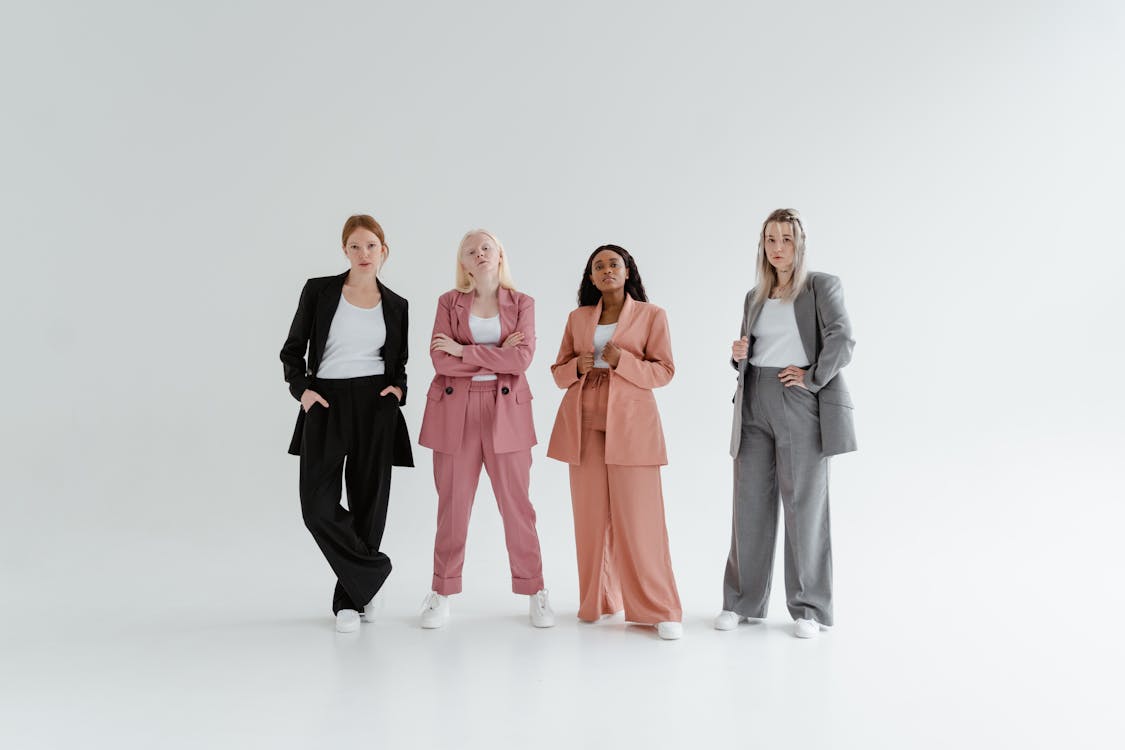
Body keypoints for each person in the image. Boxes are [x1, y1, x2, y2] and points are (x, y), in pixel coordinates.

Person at [717, 208, 856, 639]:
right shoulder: (754, 296)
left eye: (787, 239)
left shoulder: (820, 286)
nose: (778, 249)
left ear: (800, 243)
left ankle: (809, 609)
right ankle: (742, 603)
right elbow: (749, 351)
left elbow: (842, 337)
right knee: (749, 504)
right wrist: (738, 351)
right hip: (754, 395)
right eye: (770, 239)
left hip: (797, 397)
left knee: (804, 505)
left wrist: (812, 377)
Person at [280, 214, 414, 633]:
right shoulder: (319, 291)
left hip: (376, 403)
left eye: (371, 246)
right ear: (344, 250)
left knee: (369, 502)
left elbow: (399, 362)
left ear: (383, 250)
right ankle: (374, 570)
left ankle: (351, 600)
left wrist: (398, 392)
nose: (363, 254)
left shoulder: (397, 305)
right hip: (325, 401)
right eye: (355, 246)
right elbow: (292, 351)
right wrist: (302, 391)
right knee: (316, 506)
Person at [417, 229, 554, 629]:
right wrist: (497, 356)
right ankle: (441, 591)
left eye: (486, 248)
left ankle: (534, 589)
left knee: (517, 506)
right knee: (452, 507)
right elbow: (440, 361)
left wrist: (465, 351)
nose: (479, 254)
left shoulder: (522, 303)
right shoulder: (448, 302)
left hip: (506, 410)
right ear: (462, 262)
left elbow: (523, 358)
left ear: (499, 255)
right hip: (454, 412)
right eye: (470, 250)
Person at [547, 244, 683, 640]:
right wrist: (577, 366)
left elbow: (665, 371)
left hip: (632, 424)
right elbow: (557, 373)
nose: (607, 270)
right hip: (583, 420)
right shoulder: (577, 318)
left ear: (628, 272)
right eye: (599, 266)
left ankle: (660, 609)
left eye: (614, 264)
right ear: (591, 278)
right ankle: (599, 601)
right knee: (590, 519)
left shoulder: (652, 315)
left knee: (641, 521)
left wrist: (623, 361)